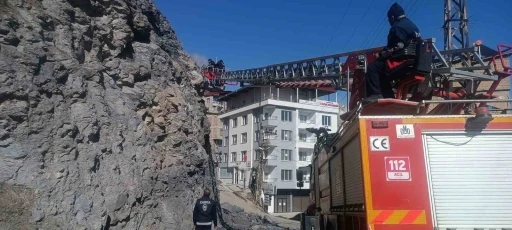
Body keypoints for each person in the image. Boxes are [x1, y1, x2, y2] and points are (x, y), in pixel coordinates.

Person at [364, 2, 421, 103]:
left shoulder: (397, 27)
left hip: (402, 61)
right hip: (414, 61)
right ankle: (388, 96)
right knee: (382, 71)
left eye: (389, 19)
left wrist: (381, 55)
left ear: (392, 17)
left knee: (373, 68)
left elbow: (397, 46)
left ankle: (376, 95)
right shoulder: (412, 26)